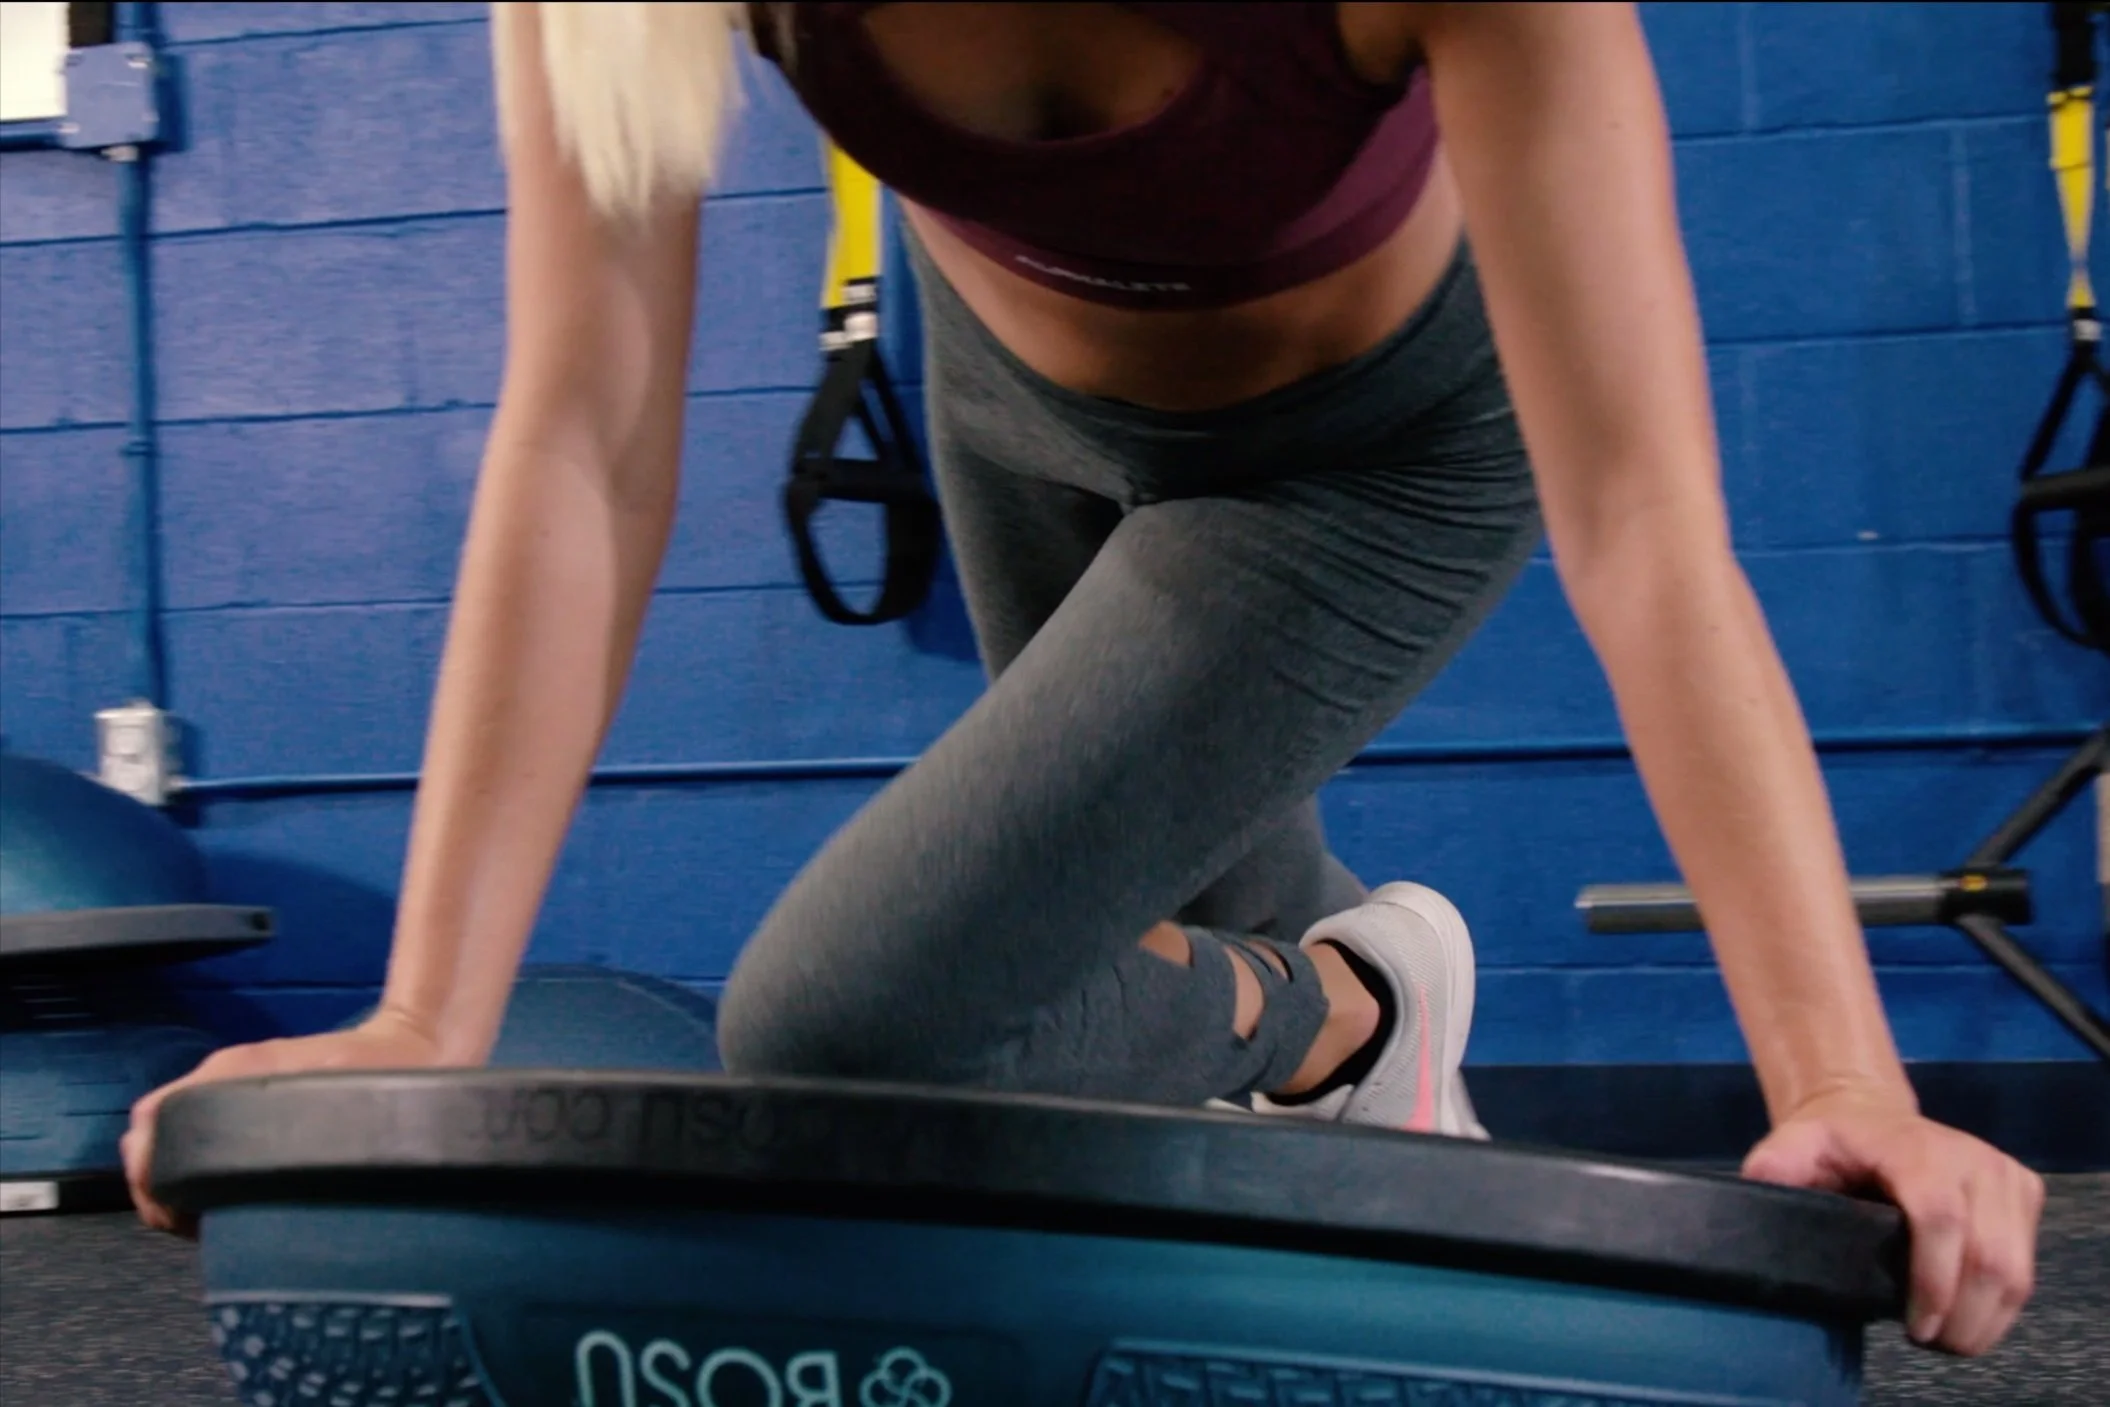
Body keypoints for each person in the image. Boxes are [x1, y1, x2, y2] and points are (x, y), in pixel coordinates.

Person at [124, 1, 2042, 1357]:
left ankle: (1353, 1012)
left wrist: (1844, 1079)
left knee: (850, 1022)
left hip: (1368, 460)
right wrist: (421, 1017)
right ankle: (1355, 1020)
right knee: (1120, 997)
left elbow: (1642, 522)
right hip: (1010, 401)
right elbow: (580, 431)